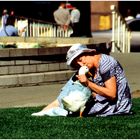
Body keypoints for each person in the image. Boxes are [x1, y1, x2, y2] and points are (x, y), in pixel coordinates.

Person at [31, 43, 132, 117]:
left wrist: (88, 83)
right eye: (76, 64)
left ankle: (55, 111)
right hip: (102, 101)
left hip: (117, 107)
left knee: (73, 109)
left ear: (89, 53)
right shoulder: (90, 68)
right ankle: (44, 112)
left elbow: (112, 94)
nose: (80, 64)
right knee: (74, 84)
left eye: (80, 60)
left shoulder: (106, 63)